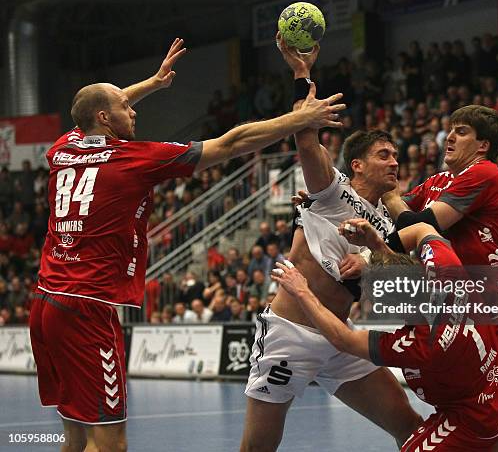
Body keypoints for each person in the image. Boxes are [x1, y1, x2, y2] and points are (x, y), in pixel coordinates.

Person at [29, 38, 345, 452]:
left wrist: (155, 83)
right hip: (89, 308)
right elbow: (229, 144)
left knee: (74, 435)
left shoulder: (62, 149)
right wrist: (298, 118)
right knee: (109, 443)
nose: (134, 108)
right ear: (105, 118)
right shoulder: (135, 160)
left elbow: (96, 105)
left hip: (46, 302)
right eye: (127, 107)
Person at [240, 36, 422, 452]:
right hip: (291, 332)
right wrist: (302, 74)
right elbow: (305, 139)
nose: (394, 162)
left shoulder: (391, 222)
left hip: (341, 337)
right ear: (356, 164)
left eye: (396, 156)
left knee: (411, 427)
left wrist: (374, 262)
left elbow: (403, 279)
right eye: (384, 155)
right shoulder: (332, 189)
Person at [383, 105, 498, 451]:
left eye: (461, 131)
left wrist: (389, 195)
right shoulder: (437, 182)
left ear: (483, 145)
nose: (449, 136)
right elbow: (385, 214)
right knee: (496, 427)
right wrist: (327, 203)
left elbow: (418, 225)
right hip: (481, 319)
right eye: (450, 129)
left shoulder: (486, 173)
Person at [271, 219, 498, 451]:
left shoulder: (419, 344)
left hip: (473, 417)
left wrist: (302, 292)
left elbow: (341, 338)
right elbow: (422, 229)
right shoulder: (446, 271)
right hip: (496, 390)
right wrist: (375, 245)